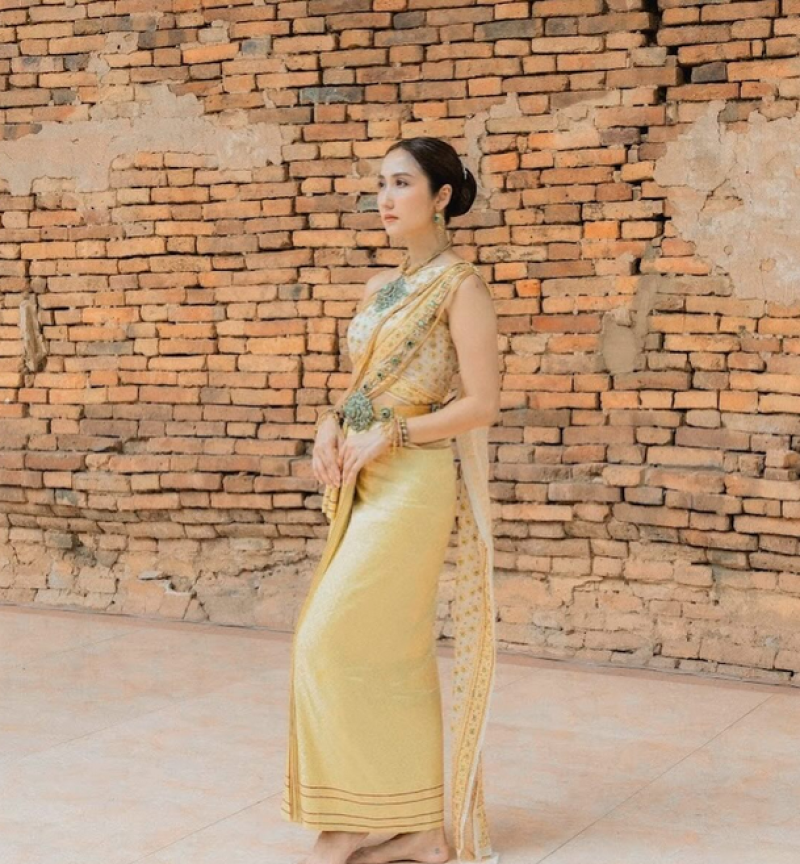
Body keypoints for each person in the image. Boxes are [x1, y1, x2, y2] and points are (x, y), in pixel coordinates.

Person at [282, 136, 501, 864]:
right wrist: (328, 424)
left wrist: (396, 434)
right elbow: (356, 391)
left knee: (326, 638)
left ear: (442, 197)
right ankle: (416, 829)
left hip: (413, 484)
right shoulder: (378, 288)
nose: (384, 197)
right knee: (390, 654)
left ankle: (350, 825)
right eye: (380, 183)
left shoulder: (462, 289)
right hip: (362, 476)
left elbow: (482, 404)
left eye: (402, 183)